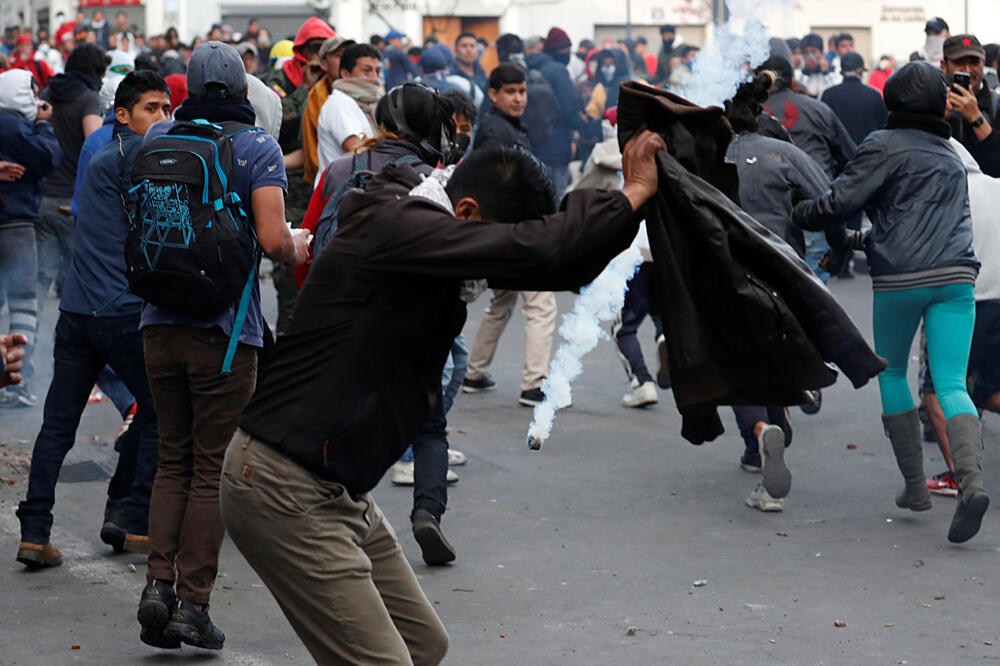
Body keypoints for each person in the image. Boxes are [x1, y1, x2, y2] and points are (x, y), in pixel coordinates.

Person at [220, 121, 666, 662]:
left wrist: (636, 207)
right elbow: (538, 251)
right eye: (492, 239)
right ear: (468, 213)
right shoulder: (401, 227)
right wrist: (632, 190)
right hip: (282, 483)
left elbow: (557, 260)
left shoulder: (425, 224)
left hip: (337, 488)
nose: (493, 262)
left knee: (424, 644)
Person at [134, 41, 310, 651]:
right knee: (209, 471)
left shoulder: (156, 139)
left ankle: (156, 588)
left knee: (171, 460)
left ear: (186, 89)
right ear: (241, 88)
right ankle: (193, 607)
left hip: (156, 324)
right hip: (224, 336)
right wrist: (298, 244)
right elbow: (271, 238)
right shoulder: (256, 146)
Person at [793, 61, 989, 544]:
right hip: (957, 278)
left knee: (894, 371)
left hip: (901, 280)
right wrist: (863, 240)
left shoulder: (883, 145)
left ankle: (915, 487)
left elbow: (838, 203)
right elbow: (914, 221)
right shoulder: (948, 151)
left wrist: (798, 211)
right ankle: (972, 483)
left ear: (894, 102)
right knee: (950, 380)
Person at [15, 72, 170, 576]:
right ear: (122, 115)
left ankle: (35, 532)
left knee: (58, 426)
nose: (163, 119)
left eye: (167, 108)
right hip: (122, 313)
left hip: (79, 312)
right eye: (152, 108)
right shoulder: (130, 157)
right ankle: (135, 514)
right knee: (160, 414)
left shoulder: (99, 151)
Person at [922, 137, 1000, 495]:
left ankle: (959, 475)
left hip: (960, 301)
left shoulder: (939, 194)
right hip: (999, 299)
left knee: (937, 389)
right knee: (991, 390)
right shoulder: (995, 187)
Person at [263, 17, 334, 336]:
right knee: (289, 281)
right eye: (313, 48)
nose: (318, 56)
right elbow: (279, 116)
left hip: (323, 190)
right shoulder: (280, 80)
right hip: (286, 194)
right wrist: (308, 89)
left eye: (324, 48)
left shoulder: (335, 83)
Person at [759, 56, 856, 281]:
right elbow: (851, 159)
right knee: (811, 287)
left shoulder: (744, 115)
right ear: (792, 82)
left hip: (761, 210)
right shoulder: (819, 110)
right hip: (815, 206)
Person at [0, 70, 62, 409]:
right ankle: (15, 382)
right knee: (23, 306)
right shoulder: (15, 126)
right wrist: (42, 125)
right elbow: (48, 157)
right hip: (16, 226)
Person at [36, 43, 109, 312]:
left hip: (42, 197)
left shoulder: (47, 92)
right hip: (70, 201)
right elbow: (94, 142)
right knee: (75, 278)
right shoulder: (89, 98)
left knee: (42, 276)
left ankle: (26, 342)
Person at [524, 27, 583, 200]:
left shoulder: (530, 68)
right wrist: (580, 125)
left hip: (534, 142)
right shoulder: (558, 70)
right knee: (556, 196)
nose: (567, 54)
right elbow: (569, 105)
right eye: (564, 49)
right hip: (557, 143)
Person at [315, 43, 382, 180]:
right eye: (367, 70)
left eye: (377, 71)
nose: (374, 77)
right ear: (346, 73)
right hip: (340, 192)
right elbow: (357, 149)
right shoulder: (339, 103)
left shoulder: (371, 105)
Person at [302, 36, 355, 184]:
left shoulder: (371, 93)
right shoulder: (314, 99)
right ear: (324, 64)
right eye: (339, 56)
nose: (346, 60)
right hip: (327, 182)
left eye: (350, 55)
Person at [821, 53, 888, 147]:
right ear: (861, 71)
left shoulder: (828, 95)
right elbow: (883, 127)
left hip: (838, 156)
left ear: (841, 72)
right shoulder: (874, 95)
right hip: (867, 153)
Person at [473, 63, 530, 152]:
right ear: (493, 94)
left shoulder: (512, 126)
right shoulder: (494, 133)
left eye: (522, 92)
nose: (518, 99)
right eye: (510, 92)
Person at [585, 48, 631, 120]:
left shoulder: (638, 84)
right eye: (604, 64)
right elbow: (593, 114)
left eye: (611, 63)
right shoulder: (600, 88)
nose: (607, 67)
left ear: (620, 64)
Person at [796, 33, 840, 97]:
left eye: (813, 52)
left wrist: (826, 72)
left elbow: (836, 88)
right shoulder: (799, 71)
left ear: (821, 52)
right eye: (806, 52)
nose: (810, 56)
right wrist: (806, 72)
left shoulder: (833, 69)